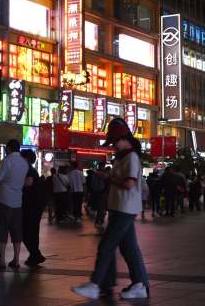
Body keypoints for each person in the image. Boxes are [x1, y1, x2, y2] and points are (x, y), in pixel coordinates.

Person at [72, 118, 149, 300]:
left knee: (106, 245)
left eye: (113, 143)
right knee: (129, 248)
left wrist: (109, 179)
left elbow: (129, 184)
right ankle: (139, 285)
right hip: (120, 207)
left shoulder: (131, 157)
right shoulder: (123, 158)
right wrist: (105, 175)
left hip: (125, 208)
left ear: (121, 140)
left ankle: (95, 284)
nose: (112, 147)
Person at [0, 139, 29, 270]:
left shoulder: (6, 160)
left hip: (4, 200)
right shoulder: (24, 163)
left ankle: (1, 260)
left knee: (2, 229)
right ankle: (16, 260)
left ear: (9, 148)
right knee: (16, 230)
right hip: (18, 201)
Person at [21, 149, 47, 267]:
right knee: (31, 231)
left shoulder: (28, 170)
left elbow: (28, 183)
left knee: (27, 230)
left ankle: (36, 254)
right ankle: (34, 255)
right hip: (34, 205)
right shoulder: (31, 169)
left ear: (25, 159)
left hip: (32, 206)